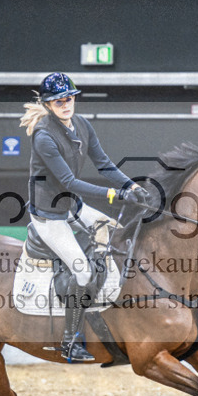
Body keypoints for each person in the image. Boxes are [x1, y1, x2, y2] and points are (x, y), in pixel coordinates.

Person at [21, 72, 155, 362]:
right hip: (50, 217)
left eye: (68, 98)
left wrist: (130, 185)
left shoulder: (81, 124)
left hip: (72, 207)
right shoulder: (44, 136)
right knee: (82, 271)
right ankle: (70, 342)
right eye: (58, 101)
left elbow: (104, 164)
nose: (65, 104)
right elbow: (69, 181)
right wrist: (116, 196)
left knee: (120, 236)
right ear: (48, 105)